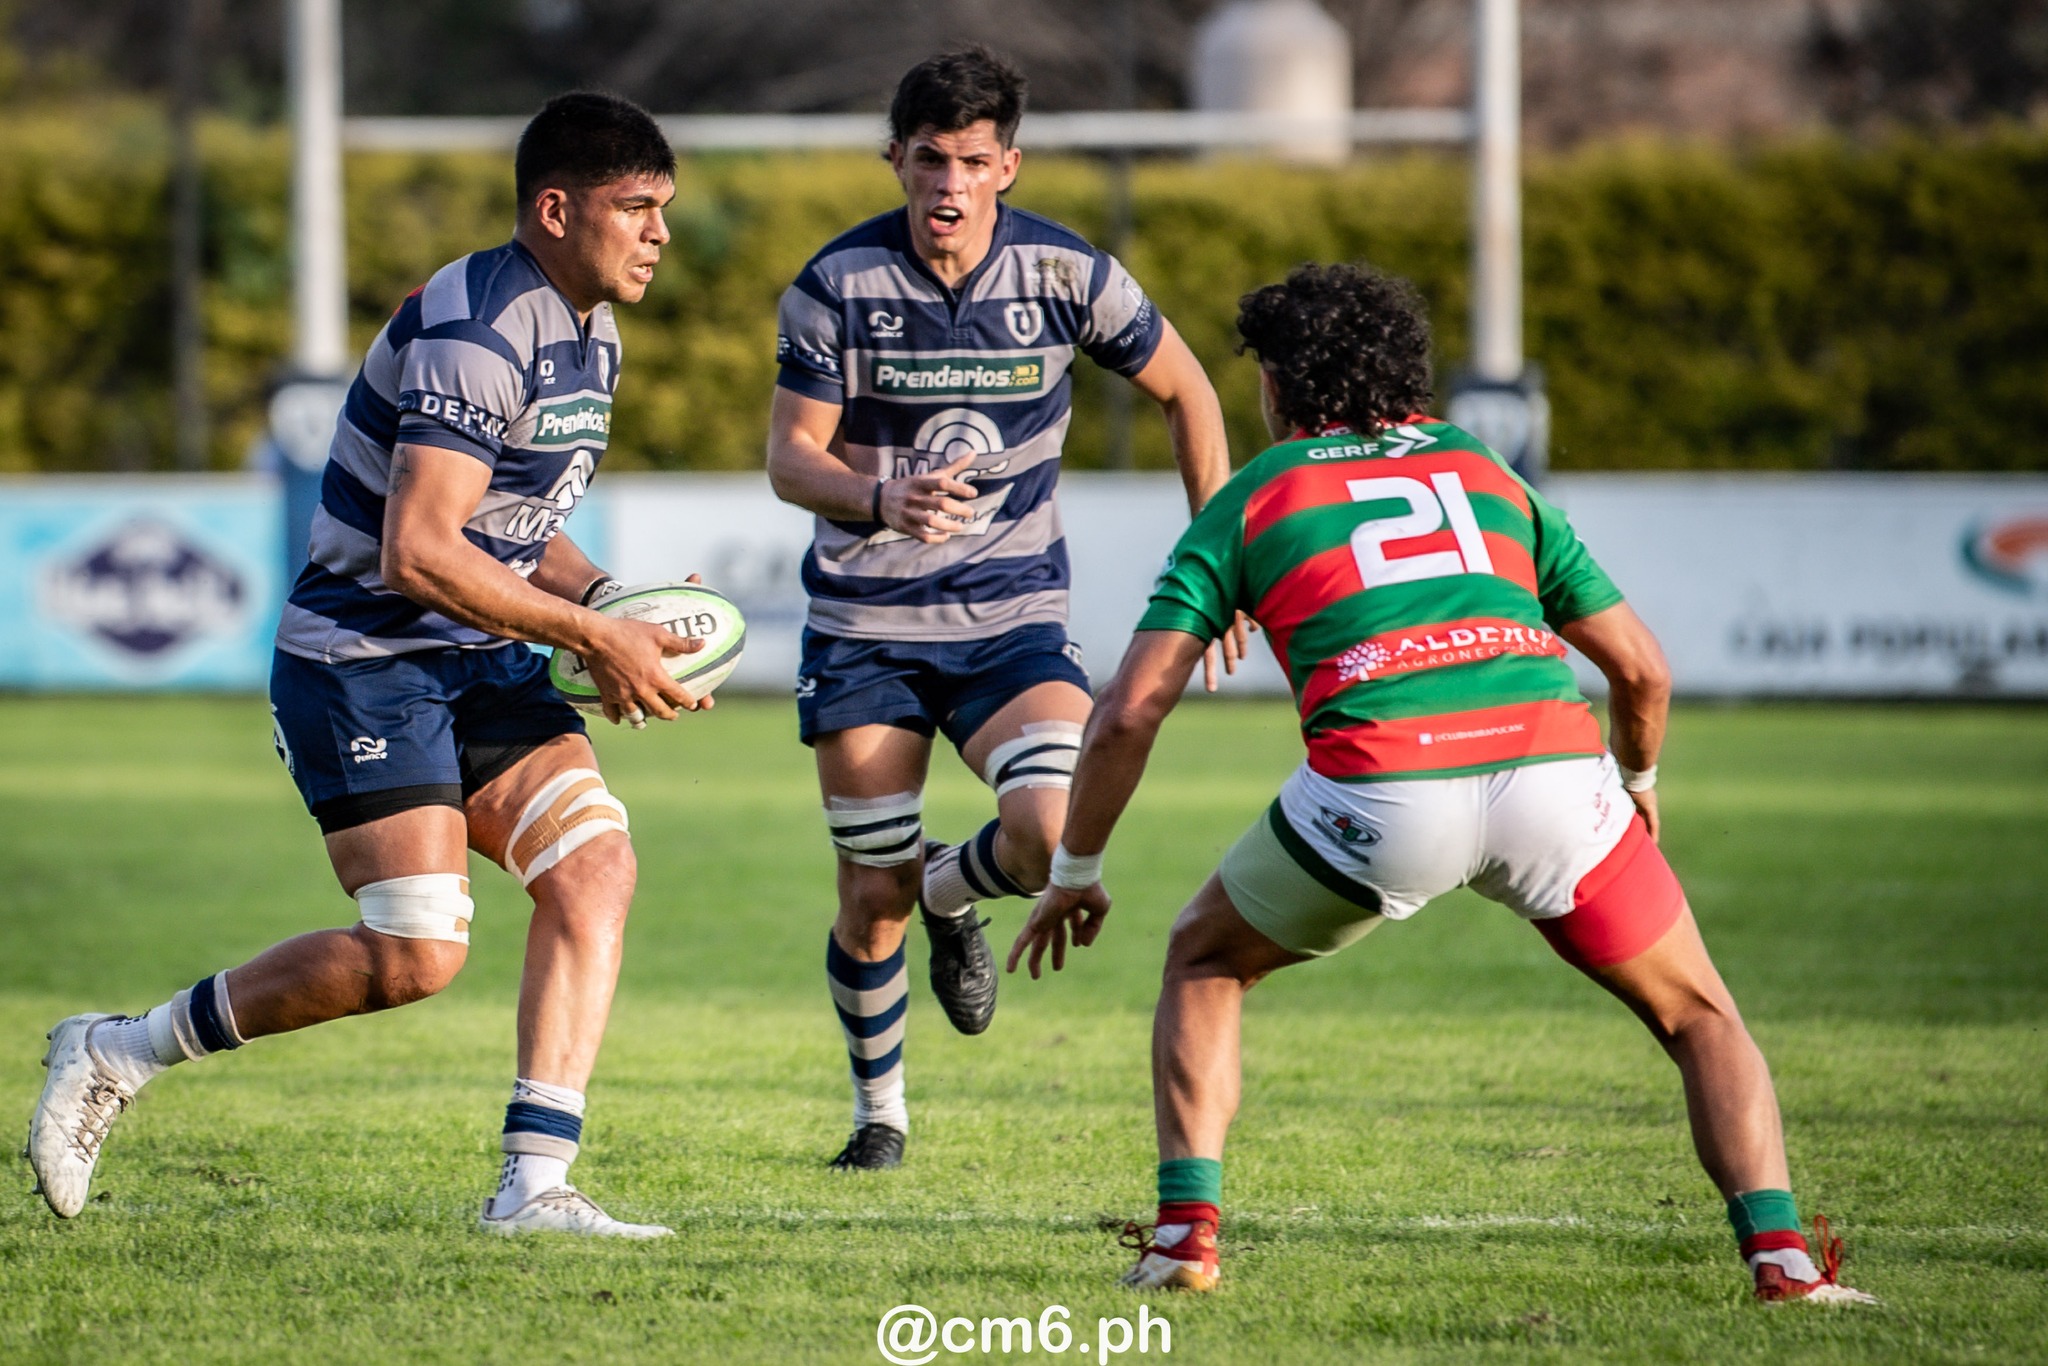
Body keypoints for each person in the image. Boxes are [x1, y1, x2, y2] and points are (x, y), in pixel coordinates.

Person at [1008, 263, 1877, 1304]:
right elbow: (1642, 669)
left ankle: (1184, 1243)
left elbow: (1129, 710)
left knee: (1204, 957)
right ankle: (1783, 1260)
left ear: (1278, 384)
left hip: (1384, 796)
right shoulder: (1482, 468)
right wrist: (1636, 779)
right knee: (1699, 1015)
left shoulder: (1255, 495)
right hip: (1554, 779)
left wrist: (1075, 870)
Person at [28, 92, 700, 1238]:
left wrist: (606, 603)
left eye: (662, 209)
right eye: (635, 207)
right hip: (365, 659)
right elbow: (419, 547)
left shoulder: (591, 331)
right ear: (555, 210)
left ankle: (533, 1186)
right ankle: (118, 1049)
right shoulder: (476, 329)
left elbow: (515, 517)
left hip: (481, 659)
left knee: (595, 872)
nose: (659, 233)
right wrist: (596, 640)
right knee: (414, 954)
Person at [767, 46, 1246, 1170]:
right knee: (868, 892)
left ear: (1008, 167)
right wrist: (878, 497)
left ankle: (950, 893)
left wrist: (1218, 556)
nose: (949, 184)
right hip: (866, 628)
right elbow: (791, 458)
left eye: (973, 162)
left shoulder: (1067, 274)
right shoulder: (836, 285)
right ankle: (880, 1117)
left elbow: (1188, 391)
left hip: (1011, 616)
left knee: (1046, 831)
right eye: (930, 159)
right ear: (895, 159)